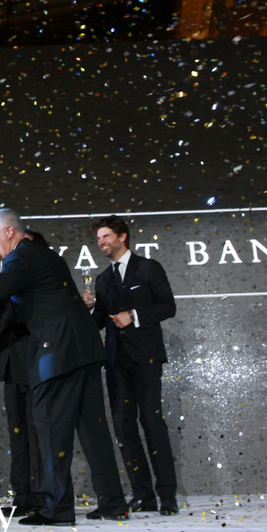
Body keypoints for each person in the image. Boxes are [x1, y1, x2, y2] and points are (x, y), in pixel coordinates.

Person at [0, 209, 127, 525]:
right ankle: (113, 503)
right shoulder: (43, 256)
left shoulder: (22, 258)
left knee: (50, 426)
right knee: (93, 429)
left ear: (9, 232)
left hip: (59, 354)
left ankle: (57, 508)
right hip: (82, 349)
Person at [85, 215, 179, 516]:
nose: (101, 243)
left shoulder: (148, 268)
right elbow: (99, 322)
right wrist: (89, 308)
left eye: (106, 236)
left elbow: (168, 306)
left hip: (146, 358)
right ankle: (143, 494)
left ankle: (167, 495)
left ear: (122, 237)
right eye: (98, 238)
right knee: (124, 429)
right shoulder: (102, 279)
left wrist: (134, 316)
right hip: (115, 362)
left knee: (152, 424)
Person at [0, 229, 47, 515]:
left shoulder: (38, 287)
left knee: (37, 431)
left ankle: (40, 493)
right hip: (12, 366)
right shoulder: (8, 284)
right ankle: (21, 494)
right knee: (18, 434)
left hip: (36, 363)